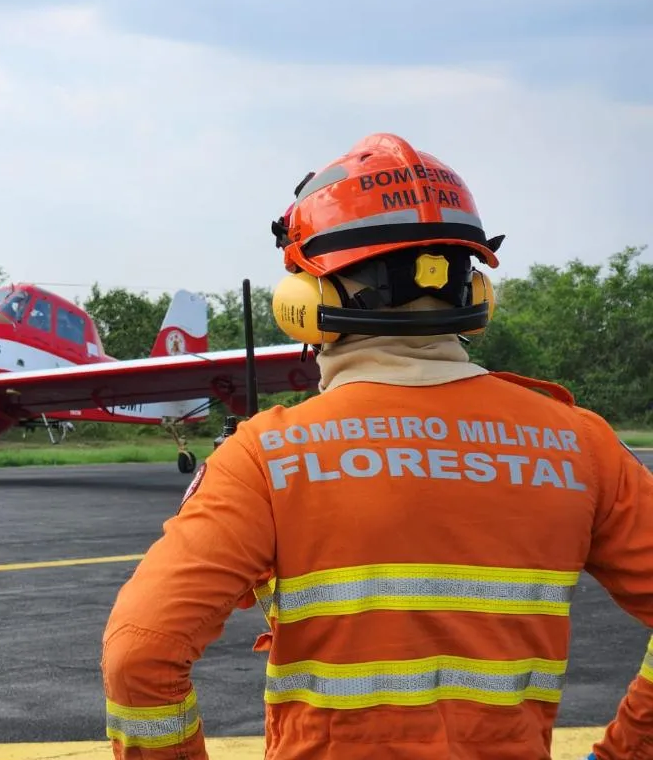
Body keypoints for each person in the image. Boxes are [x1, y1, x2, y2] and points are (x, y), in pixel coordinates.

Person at [100, 132, 653, 759]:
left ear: (307, 303)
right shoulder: (582, 447)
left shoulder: (268, 456)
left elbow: (140, 654)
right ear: (474, 292)